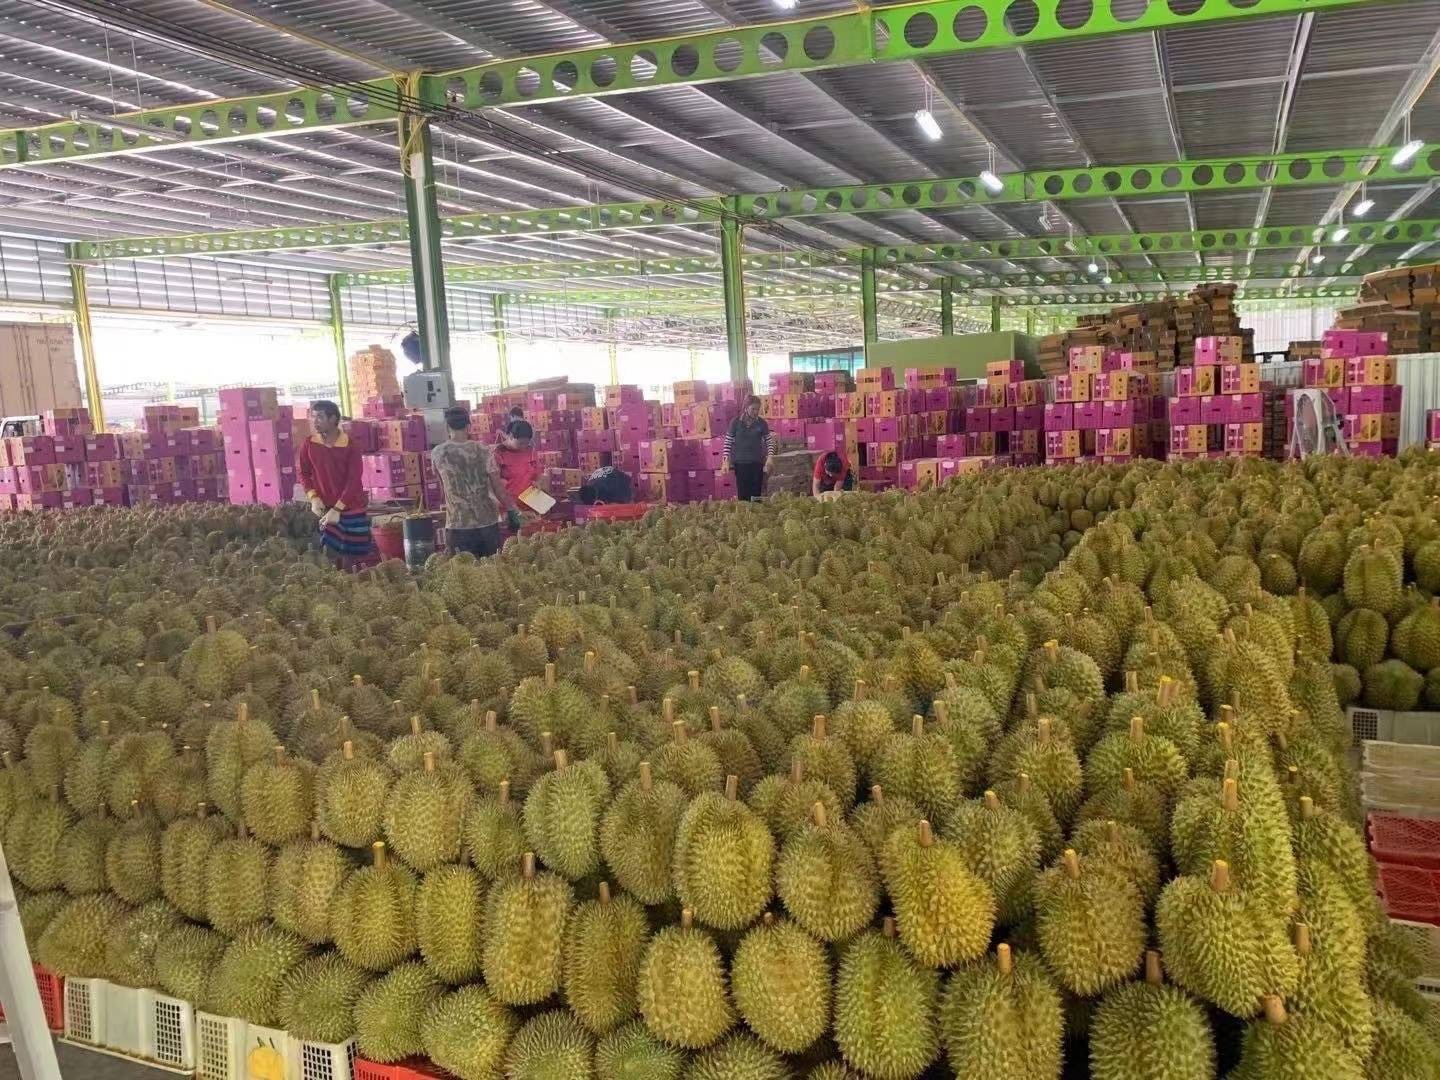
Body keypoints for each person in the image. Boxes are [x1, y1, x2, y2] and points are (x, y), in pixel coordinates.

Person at [430, 406, 522, 558]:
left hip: (457, 525)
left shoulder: (438, 453)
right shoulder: (483, 450)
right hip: (487, 525)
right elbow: (498, 488)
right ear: (468, 426)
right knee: (493, 569)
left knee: (462, 571)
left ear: (447, 427)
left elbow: (443, 489)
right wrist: (513, 510)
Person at [299, 400, 371, 570]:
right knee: (330, 554)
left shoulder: (351, 445)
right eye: (313, 417)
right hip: (325, 508)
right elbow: (303, 473)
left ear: (333, 419)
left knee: (353, 556)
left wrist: (338, 508)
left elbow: (354, 480)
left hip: (352, 506)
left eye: (320, 417)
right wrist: (313, 498)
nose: (315, 422)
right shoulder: (309, 444)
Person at [723, 395, 774, 502]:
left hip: (757, 463)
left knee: (756, 494)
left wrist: (770, 457)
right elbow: (728, 441)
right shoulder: (735, 422)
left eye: (758, 409)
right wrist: (725, 460)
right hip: (740, 464)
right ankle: (745, 511)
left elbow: (769, 441)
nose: (756, 412)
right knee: (743, 495)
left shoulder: (761, 423)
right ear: (746, 408)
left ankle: (757, 511)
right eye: (753, 409)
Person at [495, 419, 541, 521]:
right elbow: (494, 486)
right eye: (521, 443)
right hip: (509, 509)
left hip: (530, 505)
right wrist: (513, 510)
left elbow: (538, 474)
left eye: (526, 443)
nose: (523, 447)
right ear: (511, 436)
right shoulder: (498, 454)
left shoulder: (530, 451)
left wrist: (537, 482)